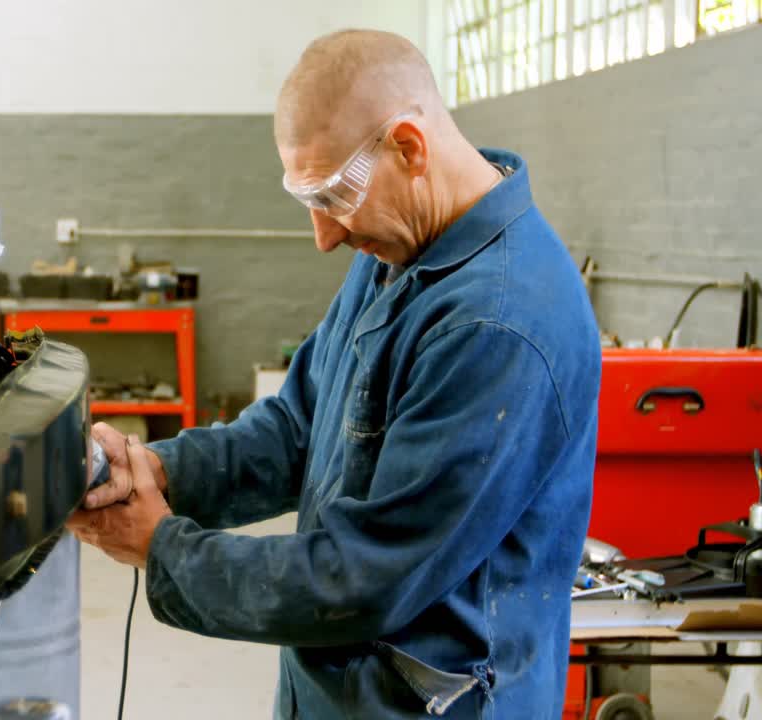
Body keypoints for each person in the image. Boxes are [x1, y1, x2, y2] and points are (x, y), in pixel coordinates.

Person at [66, 29, 602, 719]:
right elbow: (298, 426)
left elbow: (366, 576)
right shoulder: (401, 248)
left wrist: (165, 548)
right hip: (345, 692)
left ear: (410, 148)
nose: (325, 236)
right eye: (308, 200)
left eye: (333, 196)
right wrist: (153, 471)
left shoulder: (498, 324)